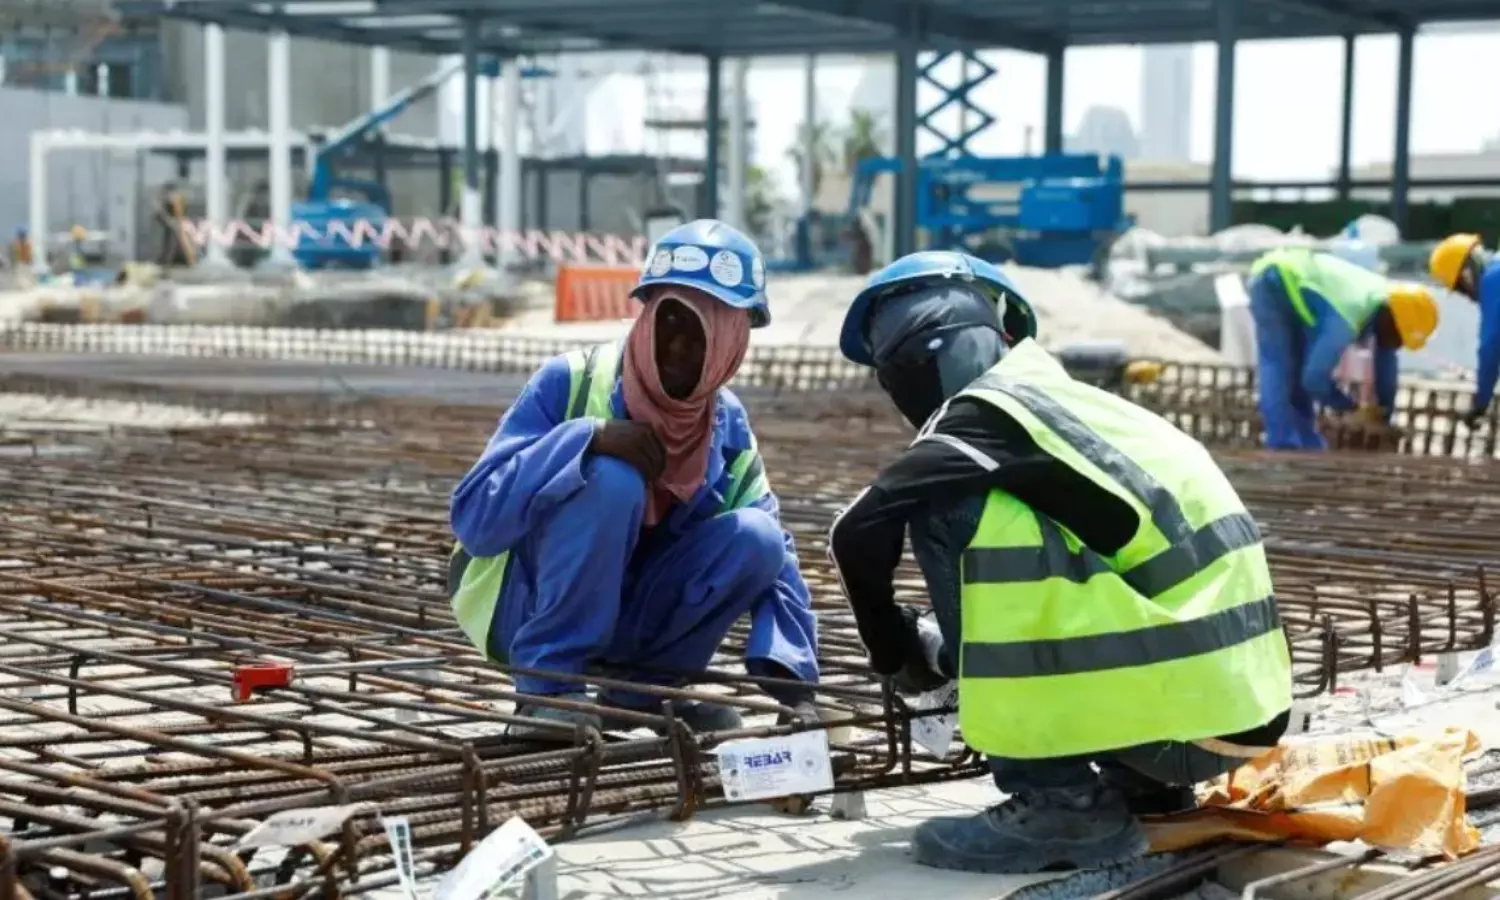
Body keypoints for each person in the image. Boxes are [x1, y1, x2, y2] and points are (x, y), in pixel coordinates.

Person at [830, 250, 1293, 874]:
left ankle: (1060, 801)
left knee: (947, 512)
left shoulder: (994, 413)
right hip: (1237, 712)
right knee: (1032, 532)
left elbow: (856, 531)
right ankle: (1143, 793)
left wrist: (896, 656)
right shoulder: (1075, 409)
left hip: (1190, 724)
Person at [449, 219, 819, 735]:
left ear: (732, 345)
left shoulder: (725, 424)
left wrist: (796, 690)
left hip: (627, 617)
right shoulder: (572, 382)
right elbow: (475, 519)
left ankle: (642, 694)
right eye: (669, 321)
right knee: (612, 479)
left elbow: (774, 555)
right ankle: (548, 691)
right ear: (645, 315)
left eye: (701, 334)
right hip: (521, 606)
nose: (677, 348)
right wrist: (586, 438)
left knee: (757, 540)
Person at [1245, 246, 1437, 450]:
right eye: (1397, 339)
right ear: (1392, 321)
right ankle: (1282, 442)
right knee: (1279, 363)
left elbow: (1386, 363)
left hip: (1300, 286)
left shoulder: (1384, 303)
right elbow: (1314, 380)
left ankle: (1306, 442)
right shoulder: (1345, 320)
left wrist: (1383, 413)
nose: (1393, 344)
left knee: (1299, 365)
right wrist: (1350, 407)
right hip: (1275, 279)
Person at [1429, 233, 1500, 428]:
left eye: (1461, 289)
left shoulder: (1493, 281)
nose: (1468, 297)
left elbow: (1490, 348)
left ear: (1467, 275)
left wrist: (1480, 402)